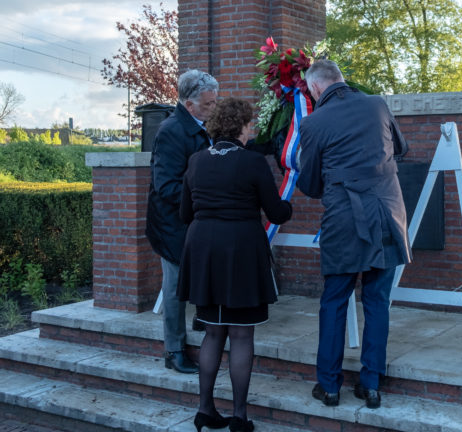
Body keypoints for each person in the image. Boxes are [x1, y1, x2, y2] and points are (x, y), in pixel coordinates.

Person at [297, 59, 411, 409]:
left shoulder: (313, 122)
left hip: (345, 219)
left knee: (334, 301)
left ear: (315, 88)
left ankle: (329, 387)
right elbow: (402, 149)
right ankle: (371, 385)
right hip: (388, 215)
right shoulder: (377, 103)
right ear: (340, 80)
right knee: (377, 301)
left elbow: (311, 183)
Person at [178, 97, 292, 432]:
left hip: (203, 252)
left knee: (213, 332)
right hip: (241, 251)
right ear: (241, 127)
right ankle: (239, 417)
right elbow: (275, 212)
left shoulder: (196, 161)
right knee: (241, 336)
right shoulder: (253, 162)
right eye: (249, 125)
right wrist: (288, 205)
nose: (251, 130)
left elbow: (185, 214)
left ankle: (204, 410)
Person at [145, 70, 219, 374]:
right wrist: (205, 196)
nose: (215, 107)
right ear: (190, 105)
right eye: (209, 104)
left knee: (202, 275)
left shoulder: (199, 125)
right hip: (173, 225)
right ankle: (174, 351)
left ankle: (200, 321)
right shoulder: (172, 131)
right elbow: (166, 186)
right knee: (175, 288)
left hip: (193, 220)